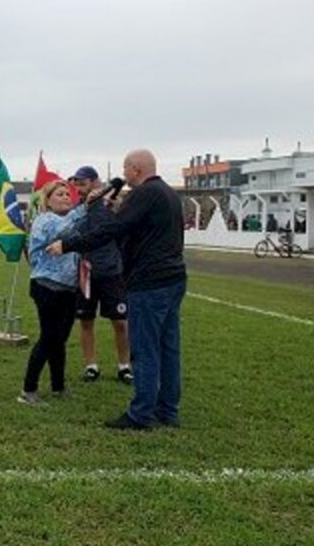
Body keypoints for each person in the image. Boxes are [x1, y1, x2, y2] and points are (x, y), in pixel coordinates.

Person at [48, 149, 187, 430]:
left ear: (135, 170)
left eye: (125, 170)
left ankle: (141, 414)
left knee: (146, 349)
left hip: (150, 282)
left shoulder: (144, 194)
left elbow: (111, 231)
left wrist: (68, 245)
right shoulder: (168, 194)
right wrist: (112, 207)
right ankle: (167, 410)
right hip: (173, 279)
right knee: (168, 347)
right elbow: (133, 226)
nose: (123, 176)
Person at [18, 180, 86, 405]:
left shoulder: (72, 220)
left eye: (68, 194)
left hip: (68, 288)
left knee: (60, 340)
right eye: (60, 194)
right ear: (47, 201)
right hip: (46, 286)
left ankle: (58, 386)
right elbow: (62, 230)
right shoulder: (45, 220)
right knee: (49, 338)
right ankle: (28, 390)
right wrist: (85, 207)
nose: (67, 197)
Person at [67, 166, 132, 385]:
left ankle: (124, 366)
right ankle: (91, 366)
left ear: (95, 182)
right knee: (85, 320)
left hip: (112, 271)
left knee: (120, 322)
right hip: (85, 272)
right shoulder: (78, 209)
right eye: (75, 182)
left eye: (82, 181)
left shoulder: (110, 202)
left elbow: (126, 225)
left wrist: (118, 205)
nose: (78, 185)